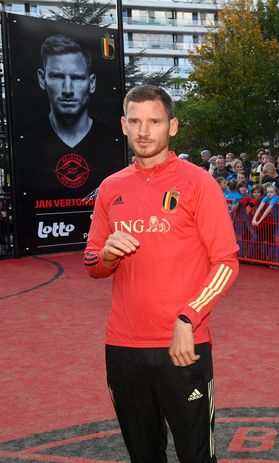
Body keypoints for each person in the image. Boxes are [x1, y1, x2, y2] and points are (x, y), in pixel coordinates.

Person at [83, 85, 239, 463]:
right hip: (122, 347)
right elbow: (92, 264)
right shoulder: (110, 188)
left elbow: (226, 263)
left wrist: (189, 317)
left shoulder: (198, 183)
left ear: (172, 126)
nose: (143, 131)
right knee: (143, 455)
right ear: (123, 124)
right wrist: (106, 255)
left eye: (154, 121)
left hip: (182, 344)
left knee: (197, 455)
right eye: (135, 121)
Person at [17, 34, 123, 197]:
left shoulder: (113, 139)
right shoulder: (24, 139)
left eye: (77, 77)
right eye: (58, 76)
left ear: (92, 82)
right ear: (42, 79)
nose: (67, 89)